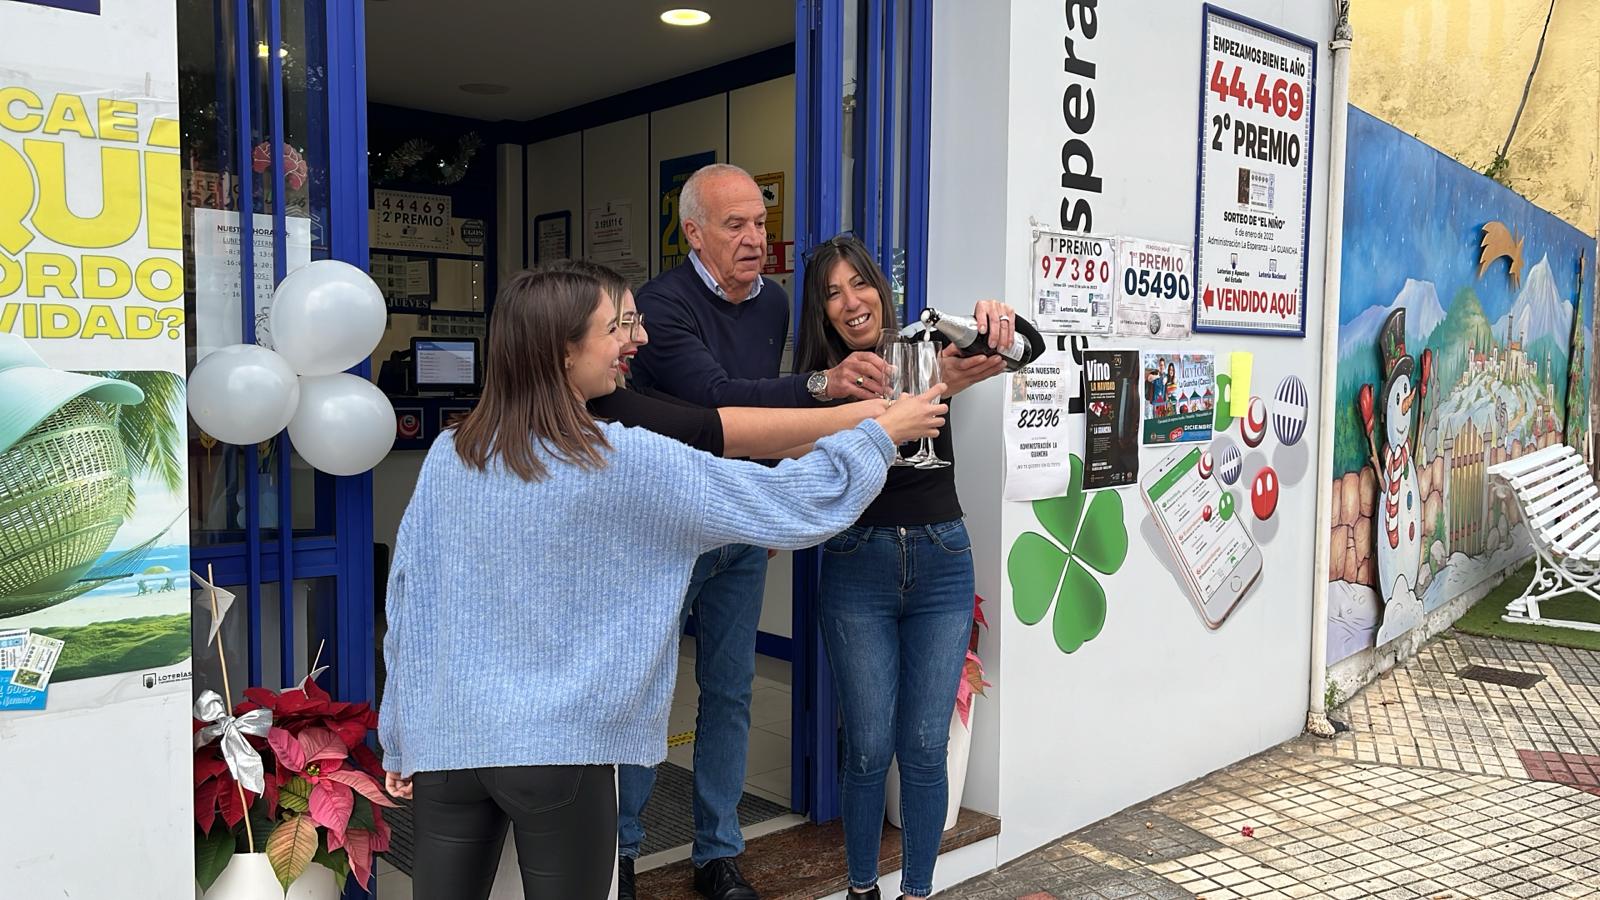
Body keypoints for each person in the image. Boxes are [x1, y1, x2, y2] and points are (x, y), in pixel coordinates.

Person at [378, 268, 947, 900]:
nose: (638, 339)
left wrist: (400, 732)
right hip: (560, 752)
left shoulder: (452, 454)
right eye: (618, 326)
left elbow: (410, 601)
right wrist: (877, 436)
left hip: (447, 751)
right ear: (563, 350)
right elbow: (789, 504)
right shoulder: (621, 460)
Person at [625, 164, 888, 900]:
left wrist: (772, 504)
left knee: (732, 692)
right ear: (694, 233)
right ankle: (621, 849)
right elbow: (717, 403)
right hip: (667, 531)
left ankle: (717, 853)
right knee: (645, 693)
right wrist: (822, 390)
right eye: (734, 224)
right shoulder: (659, 307)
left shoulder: (772, 302)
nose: (754, 238)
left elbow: (762, 424)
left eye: (759, 221)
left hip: (738, 523)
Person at [795, 235, 1034, 900]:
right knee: (869, 747)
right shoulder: (816, 381)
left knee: (926, 747)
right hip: (857, 565)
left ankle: (919, 892)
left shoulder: (927, 349)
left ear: (880, 287)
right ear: (821, 311)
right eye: (832, 293)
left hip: (942, 562)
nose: (850, 302)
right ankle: (863, 890)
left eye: (858, 284)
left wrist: (997, 320)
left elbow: (1024, 351)